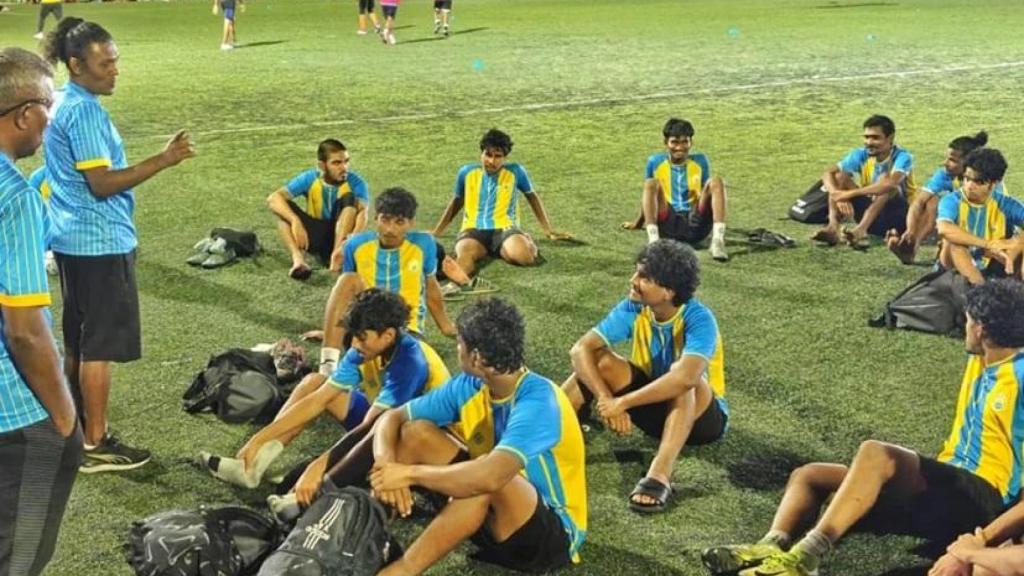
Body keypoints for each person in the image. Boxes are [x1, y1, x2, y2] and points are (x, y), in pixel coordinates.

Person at [703, 279, 1024, 576]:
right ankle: (770, 546)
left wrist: (987, 538)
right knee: (810, 476)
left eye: (968, 321)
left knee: (877, 452)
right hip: (946, 489)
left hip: (986, 497)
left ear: (981, 329)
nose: (963, 328)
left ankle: (805, 557)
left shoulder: (1020, 377)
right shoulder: (981, 359)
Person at [42, 18, 194, 473]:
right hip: (99, 241)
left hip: (70, 238)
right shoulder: (84, 111)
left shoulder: (62, 99)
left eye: (116, 61)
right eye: (105, 63)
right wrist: (163, 160)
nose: (115, 70)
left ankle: (71, 429)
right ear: (76, 64)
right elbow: (103, 183)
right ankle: (96, 442)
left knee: (79, 341)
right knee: (99, 348)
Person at [369, 298, 587, 575]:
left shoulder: (540, 400)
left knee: (485, 474)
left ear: (476, 358)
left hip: (547, 539)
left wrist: (409, 474)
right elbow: (393, 417)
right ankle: (362, 531)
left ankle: (402, 570)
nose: (455, 348)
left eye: (459, 342)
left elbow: (490, 477)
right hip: (485, 510)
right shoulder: (471, 383)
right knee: (416, 432)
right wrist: (387, 465)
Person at [200, 288, 449, 492]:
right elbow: (319, 400)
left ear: (388, 335)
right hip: (382, 428)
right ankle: (251, 466)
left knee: (322, 472)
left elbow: (369, 431)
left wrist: (318, 466)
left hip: (420, 446)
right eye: (353, 336)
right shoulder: (367, 349)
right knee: (314, 383)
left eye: (362, 337)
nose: (353, 345)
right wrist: (259, 438)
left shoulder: (412, 361)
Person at [562, 239, 727, 513]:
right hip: (653, 409)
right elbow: (580, 349)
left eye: (644, 277)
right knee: (600, 358)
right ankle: (553, 424)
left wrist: (622, 403)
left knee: (684, 378)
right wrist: (605, 399)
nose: (633, 280)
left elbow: (686, 379)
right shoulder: (634, 307)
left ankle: (659, 472)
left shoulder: (699, 318)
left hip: (702, 420)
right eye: (637, 272)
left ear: (668, 291)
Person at [0, 46, 81, 576]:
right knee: (20, 558)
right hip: (16, 418)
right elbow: (26, 332)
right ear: (27, 113)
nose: (51, 121)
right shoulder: (16, 198)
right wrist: (64, 417)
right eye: (49, 108)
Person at [432, 128, 572, 277]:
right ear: (482, 153)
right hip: (473, 229)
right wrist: (437, 230)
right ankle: (453, 282)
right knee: (464, 257)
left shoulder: (516, 172)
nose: (491, 161)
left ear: (505, 158)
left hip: (505, 228)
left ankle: (526, 242)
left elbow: (532, 197)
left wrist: (547, 230)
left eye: (498, 156)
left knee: (525, 258)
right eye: (488, 155)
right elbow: (456, 201)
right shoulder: (466, 173)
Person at [625, 118, 730, 261]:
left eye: (684, 142)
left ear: (691, 143)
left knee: (717, 181)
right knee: (650, 183)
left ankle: (718, 241)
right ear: (665, 143)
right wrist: (637, 223)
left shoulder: (701, 161)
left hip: (696, 225)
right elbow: (648, 196)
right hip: (668, 225)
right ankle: (654, 243)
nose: (680, 147)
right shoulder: (654, 162)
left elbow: (709, 194)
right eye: (674, 142)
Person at [267, 138, 369, 280]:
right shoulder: (310, 178)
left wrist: (352, 240)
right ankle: (298, 261)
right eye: (337, 163)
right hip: (316, 235)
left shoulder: (356, 182)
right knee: (284, 210)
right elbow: (273, 198)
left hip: (342, 238)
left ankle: (336, 258)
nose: (344, 167)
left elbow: (363, 213)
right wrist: (295, 221)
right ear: (322, 165)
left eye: (346, 161)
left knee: (349, 198)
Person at [813, 114, 917, 248]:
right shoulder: (861, 154)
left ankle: (860, 230)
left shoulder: (903, 157)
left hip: (898, 218)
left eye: (875, 138)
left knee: (886, 182)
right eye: (866, 137)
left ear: (890, 138)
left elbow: (891, 184)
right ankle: (833, 228)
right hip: (872, 213)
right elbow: (828, 173)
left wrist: (848, 194)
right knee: (840, 177)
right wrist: (836, 194)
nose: (869, 142)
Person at [887, 131, 991, 264]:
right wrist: (910, 230)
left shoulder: (985, 180)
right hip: (961, 224)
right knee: (931, 201)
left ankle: (954, 252)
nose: (945, 163)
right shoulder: (945, 175)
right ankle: (912, 248)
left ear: (968, 162)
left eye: (952, 160)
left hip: (985, 228)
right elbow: (919, 202)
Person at [936, 148, 1024, 286]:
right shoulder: (951, 201)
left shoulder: (1004, 204)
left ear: (994, 183)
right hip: (953, 267)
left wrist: (1012, 242)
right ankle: (979, 292)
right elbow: (944, 228)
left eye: (979, 182)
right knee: (954, 243)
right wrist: (987, 244)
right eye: (967, 178)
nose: (970, 186)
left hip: (993, 264)